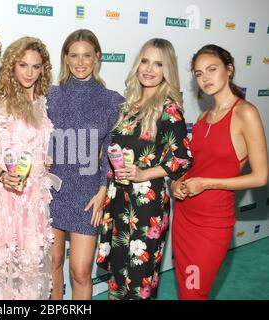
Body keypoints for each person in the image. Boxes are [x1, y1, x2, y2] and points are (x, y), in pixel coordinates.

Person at [96, 38, 192, 300]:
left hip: (146, 206)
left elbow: (182, 159)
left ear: (167, 70)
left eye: (158, 64)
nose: (149, 69)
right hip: (119, 202)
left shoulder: (168, 110)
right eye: (145, 61)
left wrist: (143, 174)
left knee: (139, 282)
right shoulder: (128, 105)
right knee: (118, 277)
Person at [171, 44, 268, 300]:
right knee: (185, 292)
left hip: (211, 223)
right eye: (199, 73)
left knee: (194, 293)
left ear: (229, 69)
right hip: (185, 216)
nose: (205, 78)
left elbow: (260, 177)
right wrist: (177, 183)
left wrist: (207, 184)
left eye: (212, 69)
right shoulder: (203, 118)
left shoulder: (246, 113)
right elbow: (195, 166)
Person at [47, 29, 124, 300]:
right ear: (65, 59)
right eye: (74, 56)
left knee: (80, 271)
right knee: (53, 262)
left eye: (87, 56)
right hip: (51, 191)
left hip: (88, 194)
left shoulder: (112, 101)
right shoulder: (50, 96)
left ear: (98, 57)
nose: (80, 62)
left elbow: (111, 153)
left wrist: (103, 189)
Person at [0, 36, 54, 300]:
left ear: (43, 69)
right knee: (5, 260)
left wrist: (44, 159)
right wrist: (0, 176)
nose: (30, 72)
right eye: (23, 65)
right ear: (13, 67)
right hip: (9, 196)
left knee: (32, 261)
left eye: (36, 66)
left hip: (35, 197)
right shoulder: (4, 105)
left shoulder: (42, 104)